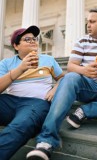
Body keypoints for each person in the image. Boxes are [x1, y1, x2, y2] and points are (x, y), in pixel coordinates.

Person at [26, 8, 97, 160]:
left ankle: (85, 111)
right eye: (87, 21)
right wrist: (84, 70)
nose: (88, 25)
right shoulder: (82, 41)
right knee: (70, 77)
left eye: (92, 22)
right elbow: (72, 66)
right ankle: (46, 141)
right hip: (86, 85)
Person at [0, 25, 64, 160]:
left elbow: (63, 78)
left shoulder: (48, 60)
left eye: (34, 38)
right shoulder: (6, 63)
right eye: (27, 39)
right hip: (10, 102)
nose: (33, 41)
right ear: (16, 46)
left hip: (35, 103)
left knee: (21, 125)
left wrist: (55, 88)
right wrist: (21, 68)